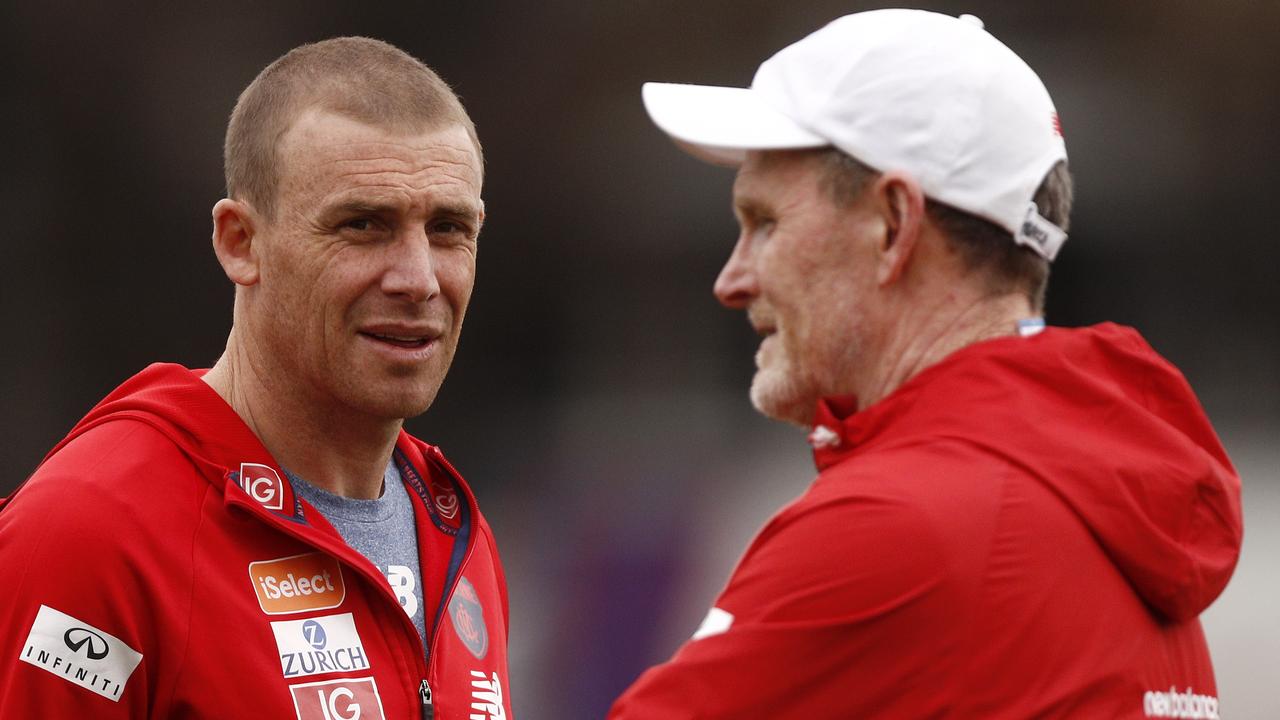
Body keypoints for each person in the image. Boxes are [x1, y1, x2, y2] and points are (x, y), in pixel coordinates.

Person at [612, 9, 1242, 718]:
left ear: (892, 226)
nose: (732, 279)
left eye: (765, 223)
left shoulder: (898, 526)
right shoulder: (1114, 511)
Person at [0, 38, 511, 719]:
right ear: (240, 242)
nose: (419, 280)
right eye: (362, 225)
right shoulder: (92, 532)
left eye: (449, 228)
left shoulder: (456, 534)